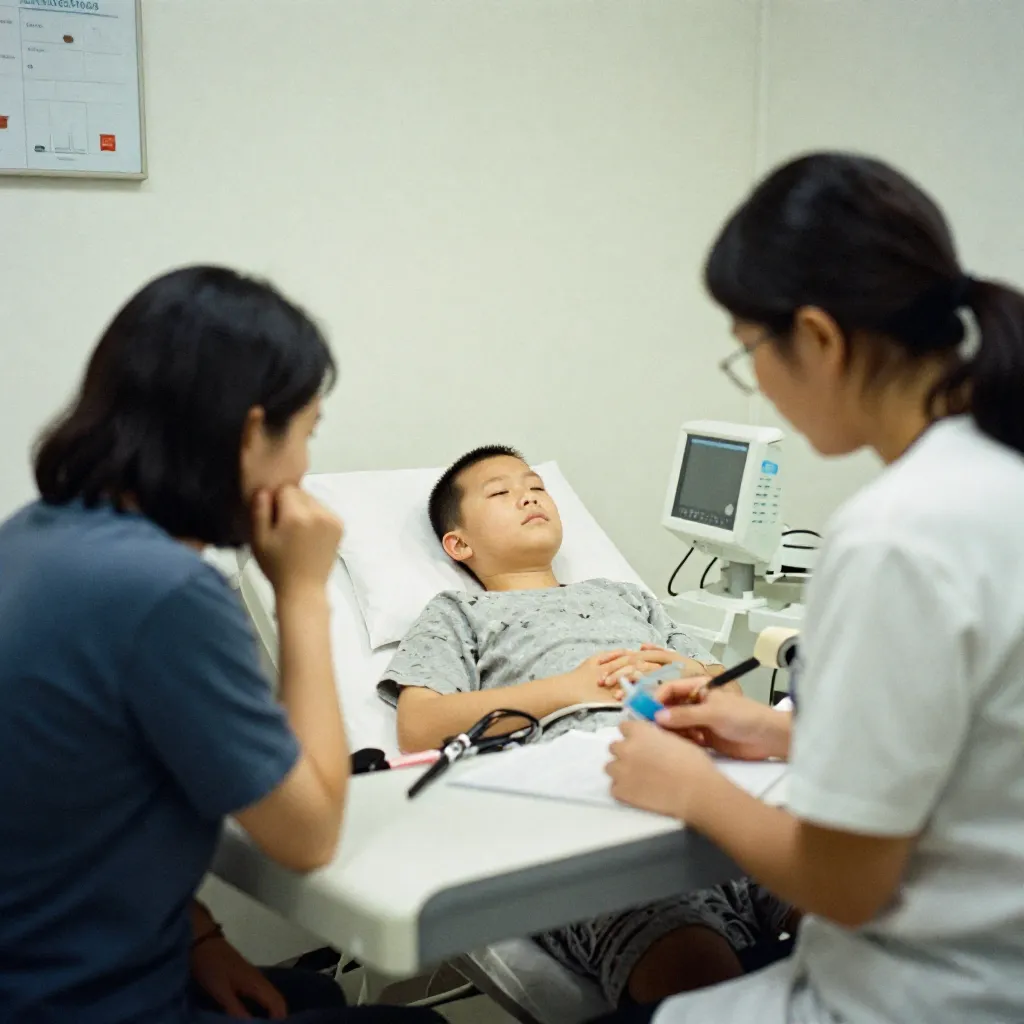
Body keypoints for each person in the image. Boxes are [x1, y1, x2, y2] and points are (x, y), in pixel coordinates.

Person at [594, 152, 1024, 1024]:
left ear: (821, 339)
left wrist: (689, 785)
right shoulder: (996, 477)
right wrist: (781, 730)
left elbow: (845, 884)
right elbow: (982, 749)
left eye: (750, 350)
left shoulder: (896, 535)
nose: (758, 378)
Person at [0, 266, 443, 1024]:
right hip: (79, 1003)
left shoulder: (34, 535)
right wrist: (300, 594)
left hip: (44, 965)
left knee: (316, 993)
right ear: (248, 434)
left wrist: (198, 935)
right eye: (306, 433)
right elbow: (307, 837)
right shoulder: (165, 589)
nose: (304, 467)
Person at [379, 446, 797, 1010]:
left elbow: (731, 690)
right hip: (591, 807)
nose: (528, 495)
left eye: (534, 486)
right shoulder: (458, 612)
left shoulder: (625, 597)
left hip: (710, 776)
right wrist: (569, 690)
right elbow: (419, 725)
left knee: (842, 908)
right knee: (685, 954)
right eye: (500, 493)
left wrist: (691, 673)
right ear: (459, 544)